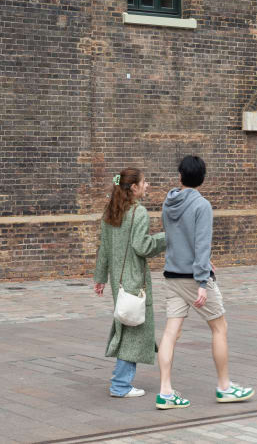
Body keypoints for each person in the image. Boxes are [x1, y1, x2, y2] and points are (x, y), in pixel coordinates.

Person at [156, 155, 254, 410]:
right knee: (219, 328)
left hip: (172, 275)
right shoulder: (202, 205)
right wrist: (202, 281)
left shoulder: (168, 203)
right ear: (202, 179)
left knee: (170, 332)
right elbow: (201, 245)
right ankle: (224, 387)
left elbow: (174, 238)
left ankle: (165, 392)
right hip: (193, 277)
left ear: (180, 177)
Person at [94, 168, 167, 398]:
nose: (148, 185)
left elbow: (103, 249)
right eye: (145, 182)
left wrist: (100, 278)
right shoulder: (139, 213)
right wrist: (168, 237)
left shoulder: (111, 212)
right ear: (133, 187)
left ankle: (121, 382)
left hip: (118, 281)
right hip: (135, 279)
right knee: (133, 330)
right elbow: (142, 246)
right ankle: (120, 384)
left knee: (126, 326)